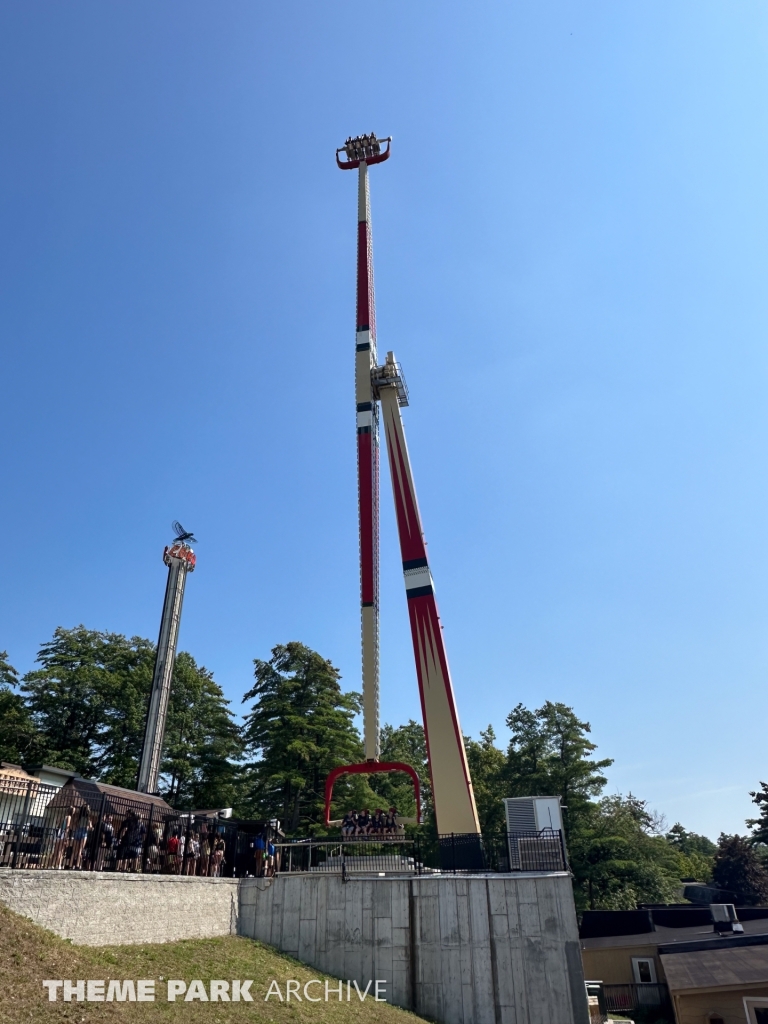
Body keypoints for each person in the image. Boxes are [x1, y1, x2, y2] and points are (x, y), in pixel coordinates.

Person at [70, 805, 91, 870]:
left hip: (77, 832)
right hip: (83, 832)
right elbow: (90, 827)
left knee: (74, 851)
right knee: (80, 850)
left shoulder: (78, 817)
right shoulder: (88, 819)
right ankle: (77, 865)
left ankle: (70, 865)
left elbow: (74, 825)